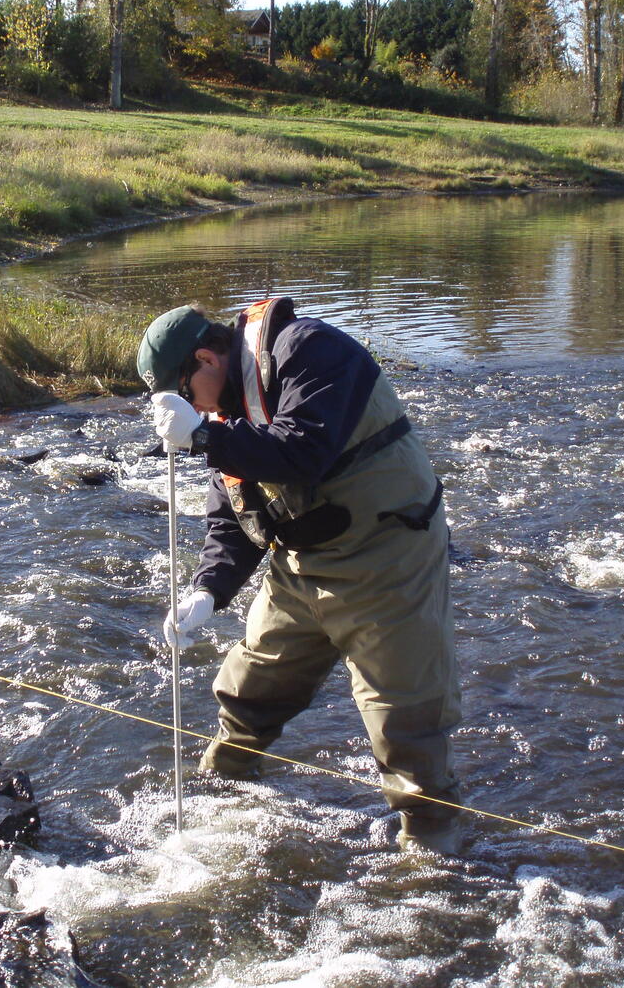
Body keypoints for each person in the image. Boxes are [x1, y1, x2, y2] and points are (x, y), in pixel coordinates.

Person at [138, 298, 464, 853]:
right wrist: (207, 590)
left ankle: (435, 849)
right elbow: (234, 519)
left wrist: (205, 437)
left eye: (184, 393)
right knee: (249, 688)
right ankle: (225, 785)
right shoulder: (222, 413)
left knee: (403, 719)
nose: (191, 408)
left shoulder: (305, 351)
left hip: (387, 554)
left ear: (205, 359)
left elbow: (304, 449)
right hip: (301, 563)